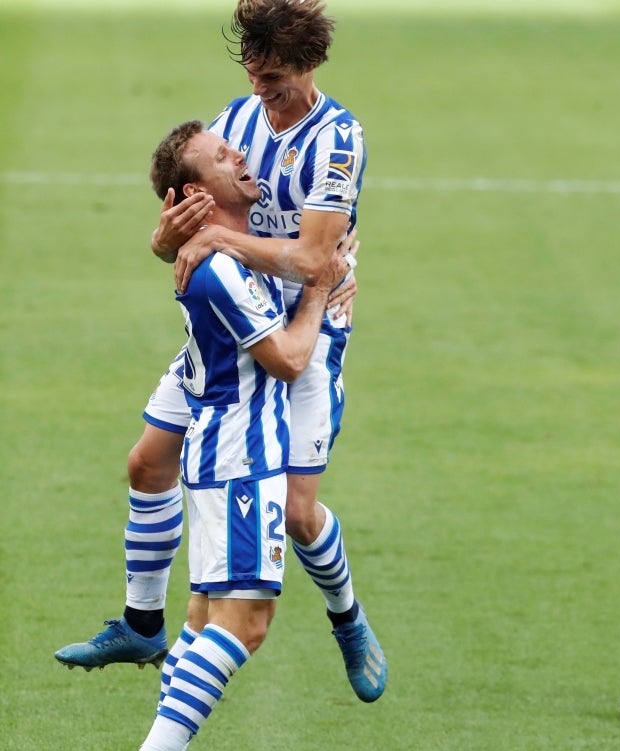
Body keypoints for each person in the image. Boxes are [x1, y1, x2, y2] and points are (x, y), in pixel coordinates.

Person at [55, 0, 387, 704]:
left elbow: (313, 260)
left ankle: (348, 620)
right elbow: (178, 226)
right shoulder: (233, 122)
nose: (260, 92)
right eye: (253, 74)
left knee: (300, 516)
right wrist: (165, 241)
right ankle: (144, 624)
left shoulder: (338, 140)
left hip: (304, 327)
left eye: (273, 79)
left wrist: (221, 242)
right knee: (147, 462)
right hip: (231, 323)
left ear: (310, 64)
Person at [104, 120, 356, 751]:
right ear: (192, 196)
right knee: (246, 625)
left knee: (206, 619)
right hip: (242, 460)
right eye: (223, 158)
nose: (242, 158)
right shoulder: (214, 269)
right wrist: (320, 294)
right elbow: (284, 359)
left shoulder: (225, 258)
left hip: (227, 457)